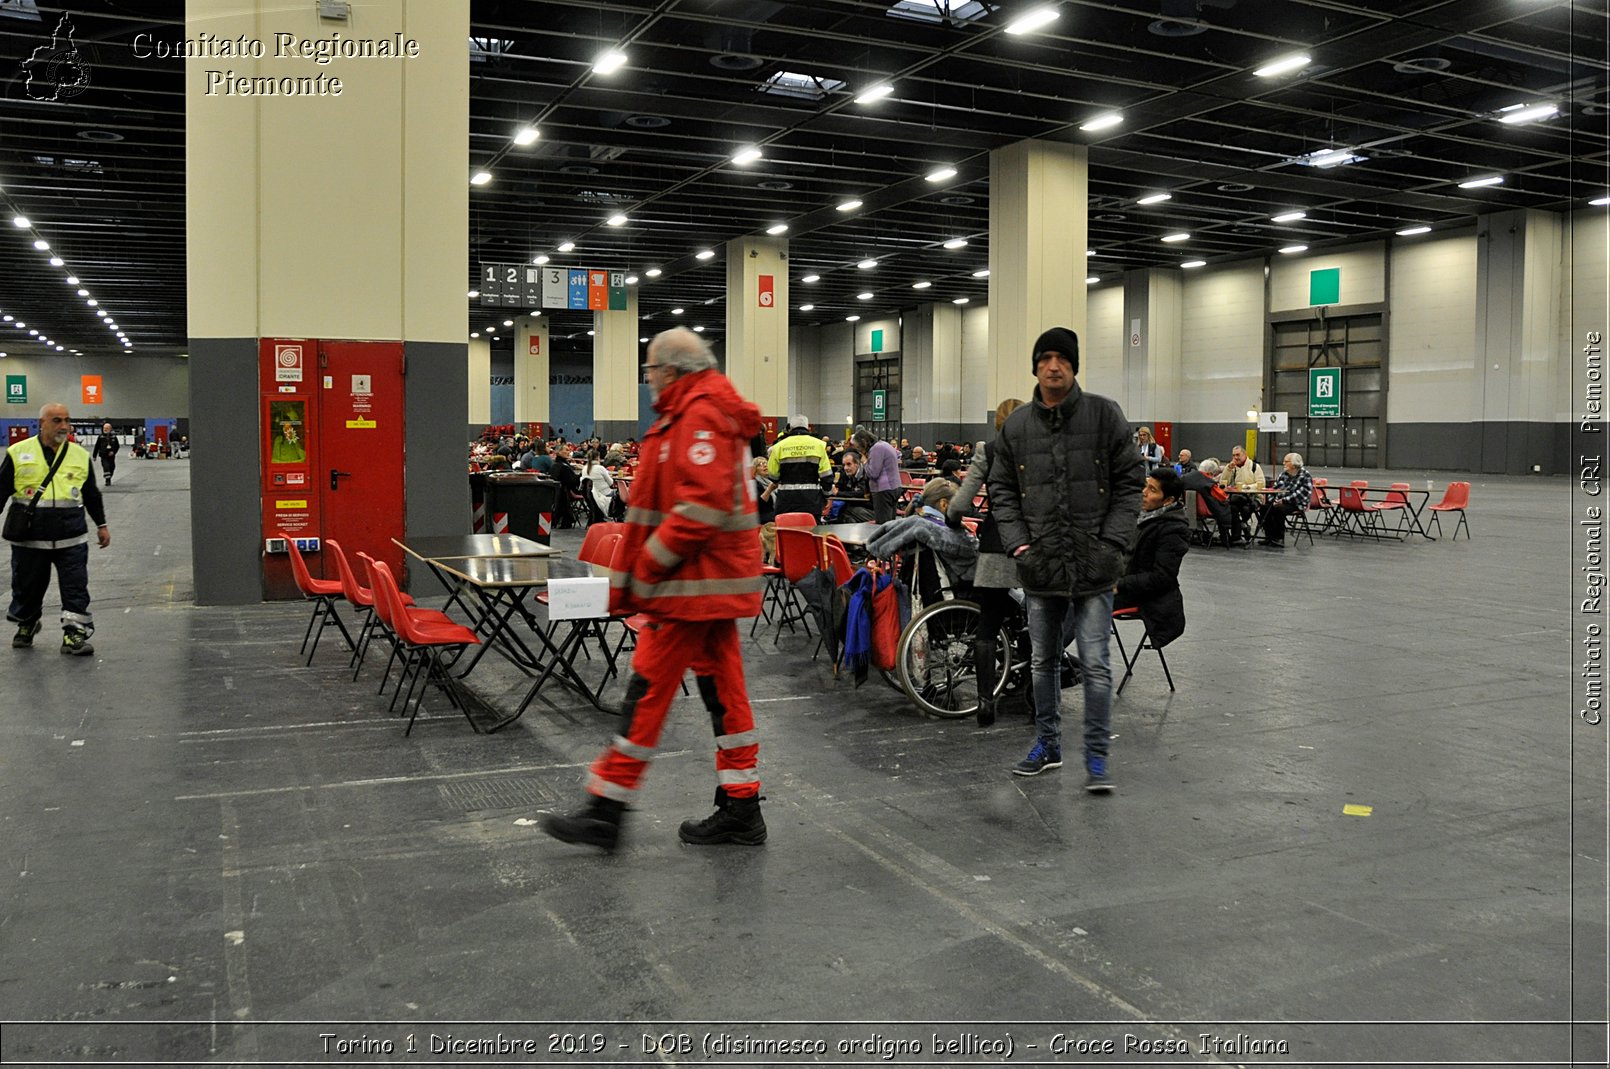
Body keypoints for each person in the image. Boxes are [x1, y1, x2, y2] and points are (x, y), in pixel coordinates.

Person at [542, 327, 766, 853]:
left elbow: (701, 508)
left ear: (672, 370)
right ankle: (742, 805)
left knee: (647, 693)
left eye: (649, 370)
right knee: (725, 696)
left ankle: (606, 810)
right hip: (703, 587)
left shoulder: (701, 412)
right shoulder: (693, 411)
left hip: (689, 586)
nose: (647, 380)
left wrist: (646, 569)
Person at [988, 327, 1143, 789]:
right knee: (1043, 662)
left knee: (1096, 663)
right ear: (1035, 365)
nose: (1054, 366)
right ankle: (1048, 745)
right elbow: (1001, 490)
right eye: (1046, 358)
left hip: (1094, 567)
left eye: (1062, 358)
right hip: (1041, 567)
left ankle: (1097, 758)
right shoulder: (1015, 428)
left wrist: (1112, 544)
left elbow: (1131, 481)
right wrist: (1020, 546)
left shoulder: (1104, 415)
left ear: (1074, 366)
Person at [4, 403, 111, 656]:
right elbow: (1, 489)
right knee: (27, 587)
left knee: (75, 588)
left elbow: (91, 494)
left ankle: (74, 634)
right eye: (56, 420)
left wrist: (102, 525)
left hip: (71, 537)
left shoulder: (78, 455)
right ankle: (27, 624)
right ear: (41, 423)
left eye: (66, 419)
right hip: (30, 539)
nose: (63, 425)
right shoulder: (17, 452)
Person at [950, 398, 1024, 727]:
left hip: (996, 545)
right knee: (1041, 621)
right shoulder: (1042, 451)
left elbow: (962, 502)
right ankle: (1037, 698)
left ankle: (984, 701)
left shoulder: (987, 451)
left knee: (988, 624)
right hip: (1034, 546)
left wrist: (954, 518)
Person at [1113, 467, 1190, 650]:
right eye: (1145, 486)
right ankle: (1055, 661)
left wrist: (1118, 585)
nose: (1144, 493)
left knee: (1073, 603)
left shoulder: (1173, 530)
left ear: (1168, 500)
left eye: (1152, 490)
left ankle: (1053, 662)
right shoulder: (1140, 517)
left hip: (1144, 596)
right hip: (1116, 582)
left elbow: (1162, 577)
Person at [866, 479, 977, 595]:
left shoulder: (914, 524)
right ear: (944, 504)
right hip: (952, 591)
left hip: (919, 590)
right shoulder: (940, 532)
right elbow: (971, 556)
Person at [767, 414, 831, 520]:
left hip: (786, 501)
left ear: (790, 428)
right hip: (811, 500)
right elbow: (826, 476)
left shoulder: (778, 447)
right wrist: (827, 495)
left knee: (787, 533)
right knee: (811, 533)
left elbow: (773, 476)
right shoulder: (819, 445)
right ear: (807, 428)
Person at [1256, 452, 1315, 548]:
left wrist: (1284, 500)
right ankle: (1269, 536)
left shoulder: (1305, 475)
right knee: (1264, 508)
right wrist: (1272, 500)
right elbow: (1275, 489)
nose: (1283, 463)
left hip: (1296, 503)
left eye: (1286, 461)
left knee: (1279, 510)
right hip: (1280, 501)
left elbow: (1301, 494)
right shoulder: (1283, 474)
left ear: (1294, 464)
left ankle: (1279, 538)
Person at [852, 430, 904, 522]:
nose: (859, 450)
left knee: (882, 524)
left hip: (883, 491)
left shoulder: (876, 449)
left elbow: (873, 473)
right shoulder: (884, 445)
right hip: (895, 487)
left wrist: (865, 462)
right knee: (890, 523)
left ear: (864, 442)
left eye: (858, 447)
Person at [1217, 445, 1265, 542]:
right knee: (1232, 508)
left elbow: (1261, 484)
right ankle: (1236, 535)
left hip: (1253, 497)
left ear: (1244, 454)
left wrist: (1246, 487)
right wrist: (1228, 469)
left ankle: (1242, 525)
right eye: (1233, 455)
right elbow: (1223, 483)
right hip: (1236, 498)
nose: (1235, 457)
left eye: (1238, 455)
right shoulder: (1231, 467)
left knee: (1245, 509)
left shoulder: (1255, 466)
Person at [1182, 458, 1234, 547]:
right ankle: (1228, 538)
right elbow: (1223, 497)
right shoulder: (1208, 483)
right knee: (1231, 508)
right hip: (1206, 510)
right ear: (1210, 473)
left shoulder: (1186, 478)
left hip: (1190, 510)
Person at [831, 450, 874, 524]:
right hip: (856, 506)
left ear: (857, 464)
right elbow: (839, 487)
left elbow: (860, 493)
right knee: (843, 512)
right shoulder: (845, 473)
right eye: (844, 465)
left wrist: (838, 493)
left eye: (849, 464)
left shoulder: (866, 474)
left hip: (873, 510)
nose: (845, 468)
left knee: (847, 510)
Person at [753, 456, 779, 563]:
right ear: (755, 470)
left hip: (775, 514)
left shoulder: (772, 480)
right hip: (763, 516)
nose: (764, 465)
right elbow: (759, 505)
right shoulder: (755, 483)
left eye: (765, 463)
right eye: (760, 464)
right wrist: (769, 490)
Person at [582, 450, 615, 525]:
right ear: (598, 458)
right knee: (620, 494)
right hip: (604, 493)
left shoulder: (584, 468)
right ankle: (619, 517)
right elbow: (611, 483)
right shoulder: (600, 468)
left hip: (590, 495)